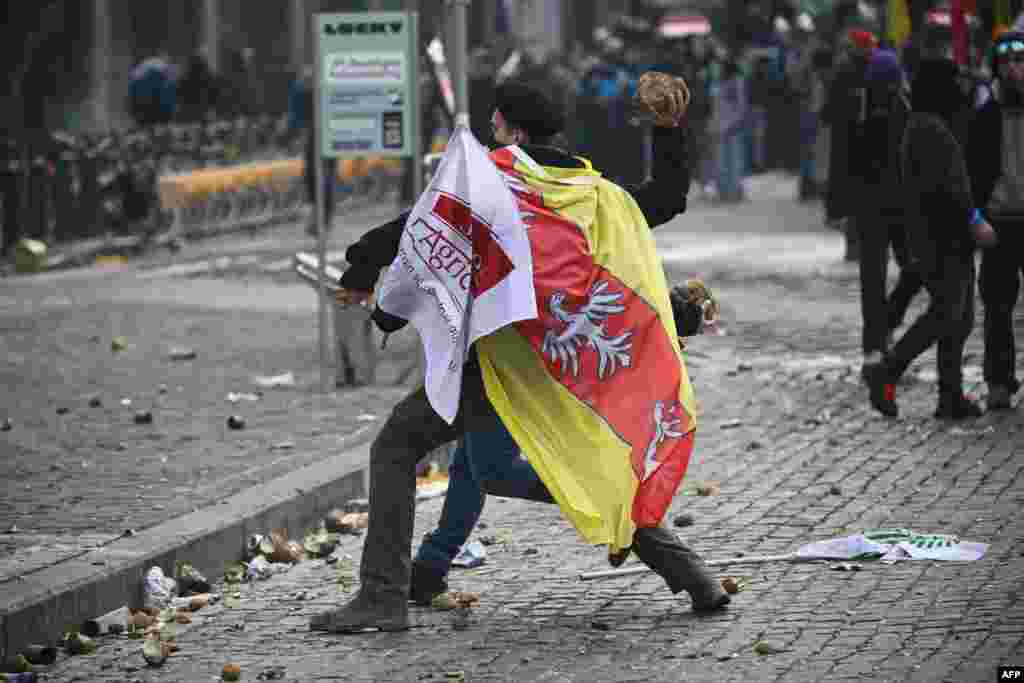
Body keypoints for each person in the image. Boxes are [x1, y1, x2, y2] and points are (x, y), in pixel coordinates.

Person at [310, 77, 729, 635]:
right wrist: (668, 130)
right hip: (567, 368)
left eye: (496, 126)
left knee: (397, 445)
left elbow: (423, 227)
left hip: (500, 363)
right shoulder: (593, 194)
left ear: (512, 130)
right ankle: (691, 574)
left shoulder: (492, 183)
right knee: (511, 465)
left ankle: (382, 596)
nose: (491, 135)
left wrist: (365, 265)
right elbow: (664, 199)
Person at [409, 286, 720, 606]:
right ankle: (429, 568)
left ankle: (666, 551)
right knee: (470, 467)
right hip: (500, 349)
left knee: (492, 472)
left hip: (511, 356)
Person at [864, 57, 997, 420]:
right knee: (946, 313)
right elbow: (950, 186)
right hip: (942, 236)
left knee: (960, 317)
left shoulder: (930, 123)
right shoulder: (929, 129)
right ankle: (889, 370)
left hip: (942, 235)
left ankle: (950, 395)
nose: (961, 87)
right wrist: (974, 220)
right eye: (954, 81)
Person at [852, 49, 922, 377]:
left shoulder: (900, 112)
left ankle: (879, 336)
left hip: (887, 208)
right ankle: (877, 340)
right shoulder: (870, 112)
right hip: (886, 208)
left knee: (884, 277)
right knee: (896, 273)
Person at [969, 31, 1024, 411]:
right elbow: (973, 172)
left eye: (1020, 60)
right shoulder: (986, 116)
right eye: (1007, 62)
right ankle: (999, 380)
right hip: (999, 221)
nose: (1014, 68)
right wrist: (976, 217)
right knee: (998, 306)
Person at [287, 66, 338, 237]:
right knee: (318, 176)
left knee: (319, 176)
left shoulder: (306, 86)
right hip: (322, 134)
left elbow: (296, 116)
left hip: (322, 135)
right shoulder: (307, 87)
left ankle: (321, 217)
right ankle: (321, 217)